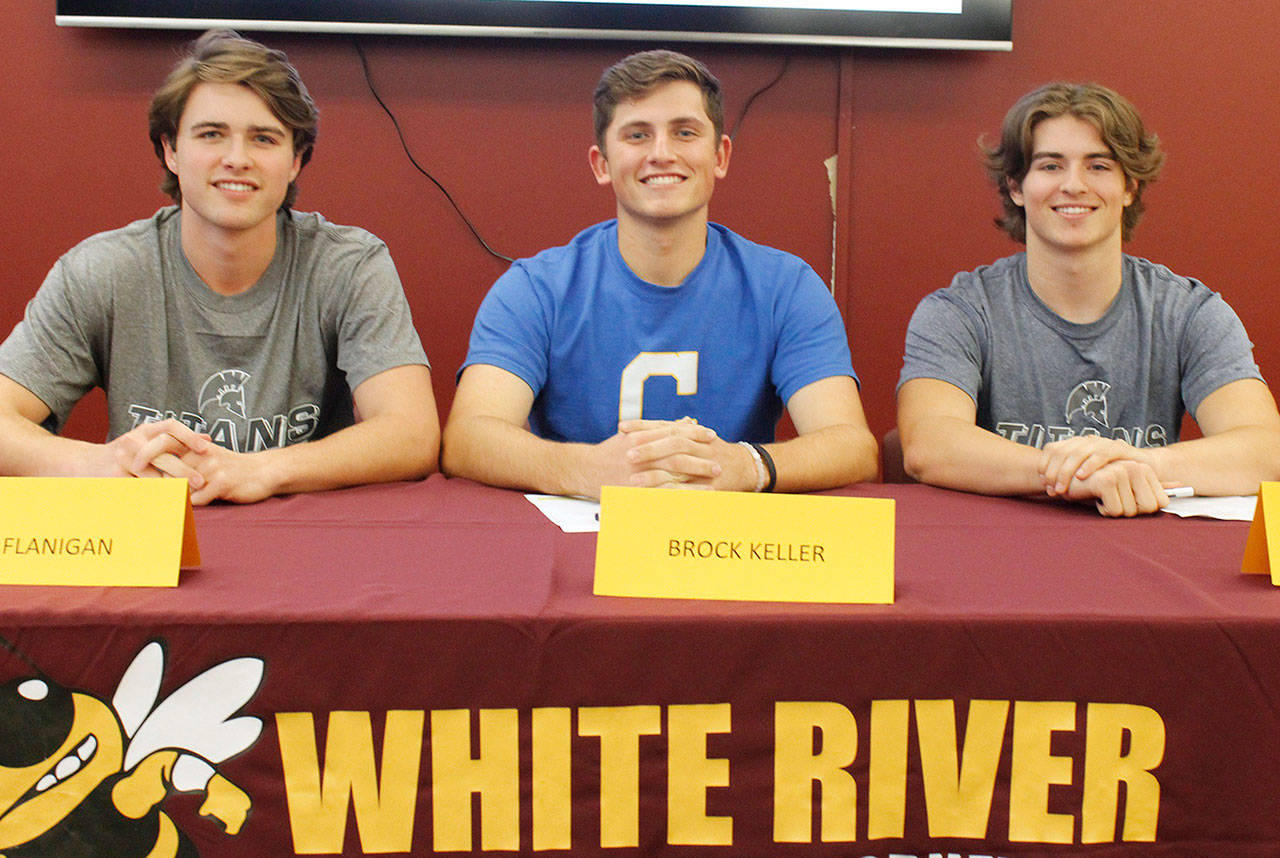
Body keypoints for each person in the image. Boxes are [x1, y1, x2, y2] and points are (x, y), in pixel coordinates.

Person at [0, 29, 439, 505]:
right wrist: (102, 463)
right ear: (171, 150)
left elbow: (412, 434)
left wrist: (259, 471)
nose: (236, 159)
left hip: (307, 541)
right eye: (211, 134)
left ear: (295, 161)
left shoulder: (349, 265)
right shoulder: (102, 270)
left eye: (263, 139)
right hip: (148, 541)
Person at [442, 50, 877, 498]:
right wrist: (584, 469)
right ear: (602, 165)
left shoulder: (785, 287)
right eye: (637, 135)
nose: (662, 154)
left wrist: (747, 465)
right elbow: (468, 438)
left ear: (720, 156)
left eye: (685, 132)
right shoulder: (535, 288)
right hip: (577, 535)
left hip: (725, 543)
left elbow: (852, 445)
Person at [897, 82, 1280, 516]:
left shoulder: (1190, 312)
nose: (1074, 185)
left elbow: (1266, 450)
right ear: (1017, 187)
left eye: (1098, 166)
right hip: (1000, 549)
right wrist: (1071, 474)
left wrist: (1134, 466)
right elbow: (929, 444)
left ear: (1130, 186)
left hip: (1142, 546)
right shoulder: (959, 311)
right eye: (1050, 166)